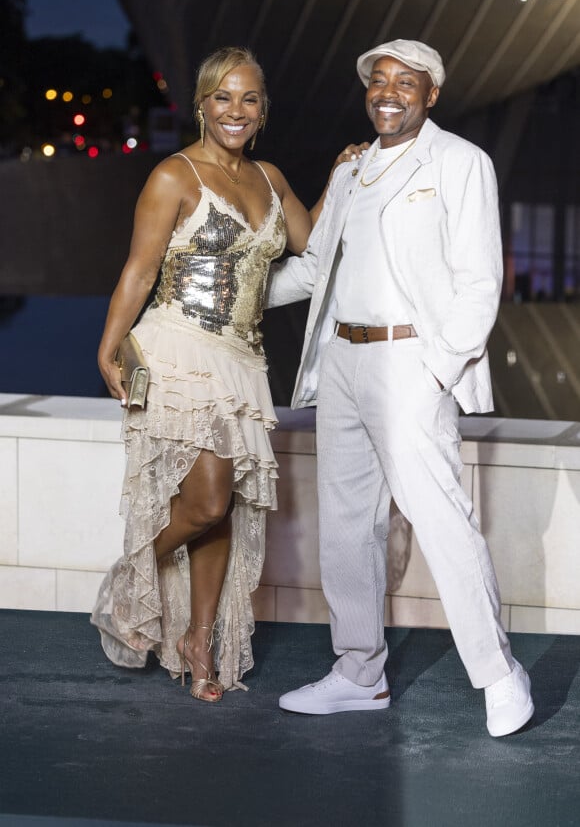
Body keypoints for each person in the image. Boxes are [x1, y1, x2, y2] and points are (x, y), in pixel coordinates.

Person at [266, 39, 535, 737]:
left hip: (410, 363)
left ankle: (500, 673)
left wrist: (439, 368)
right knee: (348, 530)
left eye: (405, 82)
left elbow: (481, 280)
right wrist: (236, 296)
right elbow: (315, 266)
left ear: (431, 94)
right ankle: (359, 674)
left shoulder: (459, 163)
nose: (389, 92)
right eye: (378, 81)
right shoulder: (353, 172)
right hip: (344, 363)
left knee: (442, 517)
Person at [91, 46, 356, 702]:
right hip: (177, 346)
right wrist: (108, 346)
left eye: (249, 99)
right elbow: (139, 270)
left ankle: (198, 640)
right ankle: (132, 574)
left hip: (242, 359)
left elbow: (310, 244)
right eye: (223, 97)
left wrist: (340, 179)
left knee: (224, 508)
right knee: (207, 498)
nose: (235, 110)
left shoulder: (269, 177)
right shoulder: (174, 176)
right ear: (202, 105)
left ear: (262, 110)